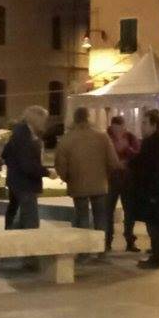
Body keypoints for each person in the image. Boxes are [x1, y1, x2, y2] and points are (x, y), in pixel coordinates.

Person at [54, 107, 121, 254]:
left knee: (82, 217)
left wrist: (67, 178)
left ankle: (84, 250)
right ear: (88, 118)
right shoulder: (102, 137)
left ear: (75, 119)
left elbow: (60, 164)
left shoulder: (67, 139)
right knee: (101, 218)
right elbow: (113, 161)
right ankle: (101, 249)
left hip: (78, 184)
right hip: (100, 184)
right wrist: (105, 175)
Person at [129, 110, 159, 269]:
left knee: (156, 226)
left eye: (144, 123)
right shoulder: (155, 142)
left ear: (154, 126)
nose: (141, 126)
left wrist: (154, 193)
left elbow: (157, 169)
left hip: (156, 193)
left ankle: (158, 258)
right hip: (157, 192)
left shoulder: (156, 143)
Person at [2, 106, 52, 232]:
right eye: (44, 120)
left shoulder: (19, 133)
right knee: (30, 222)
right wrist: (47, 172)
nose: (45, 124)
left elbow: (5, 154)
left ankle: (11, 240)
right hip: (25, 184)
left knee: (20, 219)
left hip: (17, 183)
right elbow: (28, 165)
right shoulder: (24, 137)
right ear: (37, 120)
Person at [106, 115, 141, 252]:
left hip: (128, 179)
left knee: (130, 211)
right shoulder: (106, 137)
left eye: (120, 127)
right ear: (112, 126)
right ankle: (107, 241)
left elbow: (137, 156)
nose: (118, 131)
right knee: (108, 211)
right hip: (111, 179)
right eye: (115, 128)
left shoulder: (130, 138)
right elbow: (103, 155)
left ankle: (130, 240)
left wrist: (126, 149)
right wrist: (115, 163)